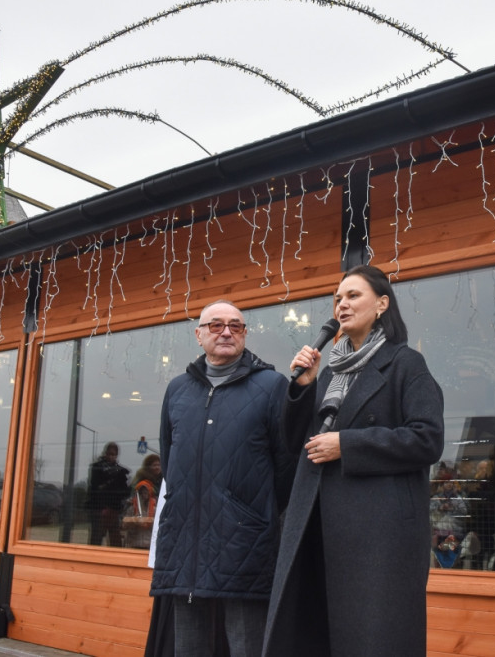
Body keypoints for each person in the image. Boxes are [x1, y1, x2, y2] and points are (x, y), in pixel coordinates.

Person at [262, 265, 445, 657]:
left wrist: (348, 444)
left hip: (377, 536)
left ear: (381, 304)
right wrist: (303, 386)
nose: (342, 304)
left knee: (371, 639)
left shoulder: (405, 364)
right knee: (315, 636)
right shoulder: (328, 372)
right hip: (317, 525)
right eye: (338, 298)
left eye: (353, 296)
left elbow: (427, 439)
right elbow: (299, 444)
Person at [151, 300, 292, 657]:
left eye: (236, 326)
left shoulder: (272, 386)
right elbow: (170, 460)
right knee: (189, 644)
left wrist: (247, 510)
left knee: (247, 642)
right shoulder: (177, 390)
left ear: (244, 335)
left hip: (244, 539)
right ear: (199, 335)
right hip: (185, 534)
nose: (226, 332)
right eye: (215, 325)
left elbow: (286, 466)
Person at [87, 441, 130, 547]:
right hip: (99, 509)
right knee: (96, 538)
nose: (112, 457)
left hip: (113, 509)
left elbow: (124, 491)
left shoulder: (120, 472)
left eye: (114, 455)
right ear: (105, 454)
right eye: (110, 454)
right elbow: (95, 489)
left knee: (115, 539)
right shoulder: (97, 468)